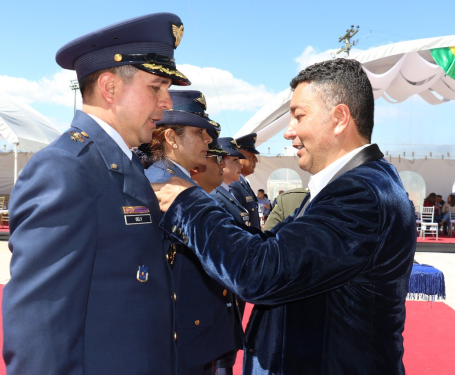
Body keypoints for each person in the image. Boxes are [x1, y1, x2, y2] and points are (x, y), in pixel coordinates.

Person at [153, 58, 416, 374]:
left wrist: (186, 203)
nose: (289, 132)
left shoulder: (362, 194)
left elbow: (262, 271)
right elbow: (273, 246)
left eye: (299, 116)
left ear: (340, 118)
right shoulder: (353, 185)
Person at [2, 13, 190, 375]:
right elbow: (40, 329)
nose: (167, 103)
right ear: (109, 88)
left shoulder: (122, 163)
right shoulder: (65, 169)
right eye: (156, 87)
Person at [145, 90, 240, 375]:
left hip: (195, 333)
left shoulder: (181, 183)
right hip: (182, 337)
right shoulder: (163, 185)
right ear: (172, 138)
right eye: (200, 133)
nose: (209, 140)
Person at [191, 138, 245, 375]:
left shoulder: (223, 195)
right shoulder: (211, 200)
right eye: (216, 160)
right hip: (204, 311)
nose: (222, 167)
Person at [230, 133, 261, 228]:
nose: (256, 160)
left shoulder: (243, 183)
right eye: (251, 156)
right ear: (238, 157)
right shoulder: (233, 184)